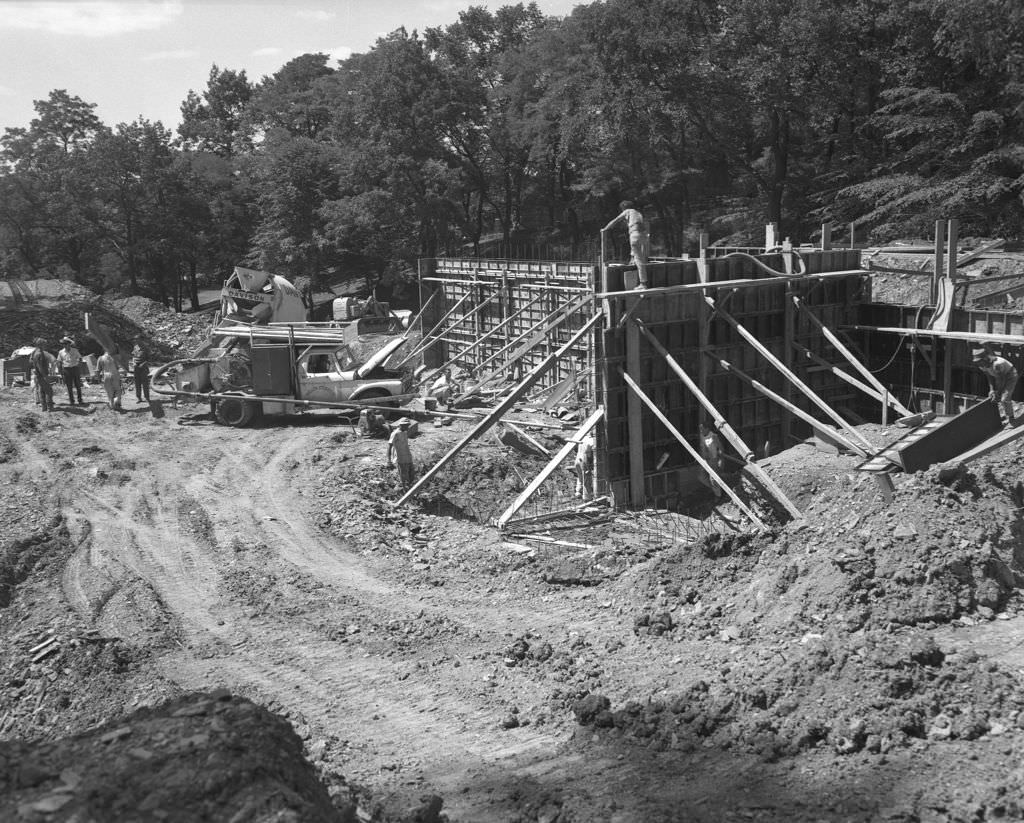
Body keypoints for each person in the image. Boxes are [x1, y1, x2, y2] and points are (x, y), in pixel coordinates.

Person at [603, 200, 650, 289]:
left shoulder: (627, 211)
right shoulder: (638, 213)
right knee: (637, 255)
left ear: (624, 208)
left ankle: (643, 284)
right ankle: (632, 260)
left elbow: (615, 221)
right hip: (644, 236)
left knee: (639, 260)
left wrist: (605, 229)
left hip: (635, 235)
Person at [973, 347, 1018, 425]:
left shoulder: (997, 364)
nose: (979, 364)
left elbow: (1002, 380)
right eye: (977, 362)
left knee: (1005, 398)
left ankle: (1011, 418)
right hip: (999, 377)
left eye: (980, 361)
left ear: (985, 359)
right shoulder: (982, 365)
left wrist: (999, 393)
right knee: (993, 395)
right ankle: (1006, 414)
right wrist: (992, 390)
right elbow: (989, 376)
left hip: (1010, 376)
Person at [699, 422, 725, 498]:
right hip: (705, 460)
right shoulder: (702, 436)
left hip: (714, 460)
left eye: (702, 429)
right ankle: (716, 489)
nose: (701, 431)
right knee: (701, 477)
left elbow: (721, 449)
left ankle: (718, 495)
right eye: (700, 429)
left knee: (713, 479)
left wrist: (721, 460)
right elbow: (702, 447)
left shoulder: (713, 436)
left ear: (707, 429)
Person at [387, 418, 415, 489]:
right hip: (400, 458)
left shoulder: (404, 433)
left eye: (408, 425)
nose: (407, 427)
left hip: (408, 457)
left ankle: (410, 490)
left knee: (411, 476)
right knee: (404, 478)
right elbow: (389, 446)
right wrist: (389, 460)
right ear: (400, 425)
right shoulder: (395, 433)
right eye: (405, 425)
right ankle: (404, 492)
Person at [56, 337, 84, 405]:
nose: (64, 345)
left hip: (75, 368)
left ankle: (80, 400)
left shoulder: (75, 350)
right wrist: (60, 371)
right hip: (66, 370)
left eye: (66, 344)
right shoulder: (61, 352)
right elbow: (59, 361)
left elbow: (80, 358)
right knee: (69, 386)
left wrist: (79, 366)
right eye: (63, 344)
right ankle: (72, 401)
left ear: (69, 344)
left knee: (78, 385)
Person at [30, 338, 55, 412]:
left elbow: (31, 362)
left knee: (42, 391)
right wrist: (45, 376)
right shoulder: (39, 353)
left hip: (38, 375)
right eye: (44, 344)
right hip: (42, 375)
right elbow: (39, 366)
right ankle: (50, 408)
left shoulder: (34, 353)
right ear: (40, 345)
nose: (45, 345)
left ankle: (44, 408)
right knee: (49, 391)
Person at [97, 347, 123, 411]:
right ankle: (117, 400)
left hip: (106, 376)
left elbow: (98, 370)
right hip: (115, 375)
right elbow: (118, 367)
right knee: (118, 390)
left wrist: (99, 378)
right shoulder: (116, 357)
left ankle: (112, 406)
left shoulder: (100, 358)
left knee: (109, 392)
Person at [573, 430, 596, 501]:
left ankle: (578, 492)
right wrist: (590, 466)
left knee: (580, 476)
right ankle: (587, 497)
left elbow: (576, 448)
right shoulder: (592, 441)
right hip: (584, 460)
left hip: (577, 459)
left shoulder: (583, 438)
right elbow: (591, 453)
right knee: (586, 479)